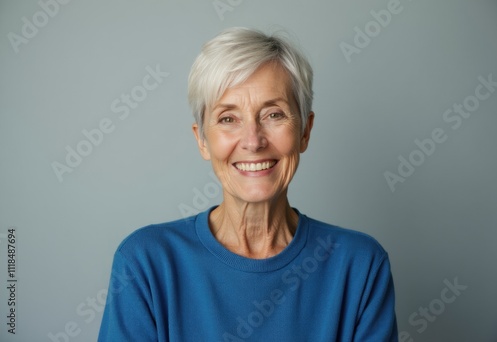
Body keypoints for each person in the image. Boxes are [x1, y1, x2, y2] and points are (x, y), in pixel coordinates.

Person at [98, 27, 398, 341]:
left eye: (273, 114)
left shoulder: (359, 265)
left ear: (305, 132)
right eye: (228, 118)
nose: (253, 141)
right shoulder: (146, 262)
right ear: (202, 139)